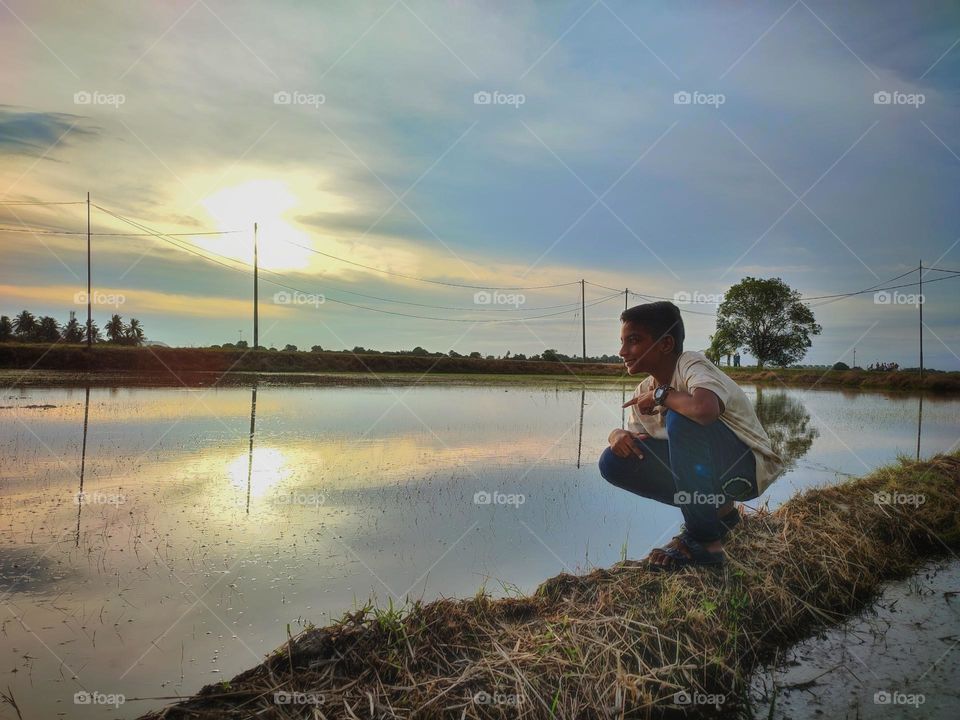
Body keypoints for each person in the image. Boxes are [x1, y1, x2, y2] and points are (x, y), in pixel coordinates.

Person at [599, 301, 784, 570]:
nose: (622, 351)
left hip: (745, 470)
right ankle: (721, 517)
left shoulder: (690, 364)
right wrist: (616, 435)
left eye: (634, 341)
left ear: (665, 344)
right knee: (612, 461)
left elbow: (703, 410)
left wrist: (663, 395)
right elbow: (639, 443)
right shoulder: (644, 389)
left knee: (682, 417)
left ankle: (704, 542)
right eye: (622, 342)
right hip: (714, 473)